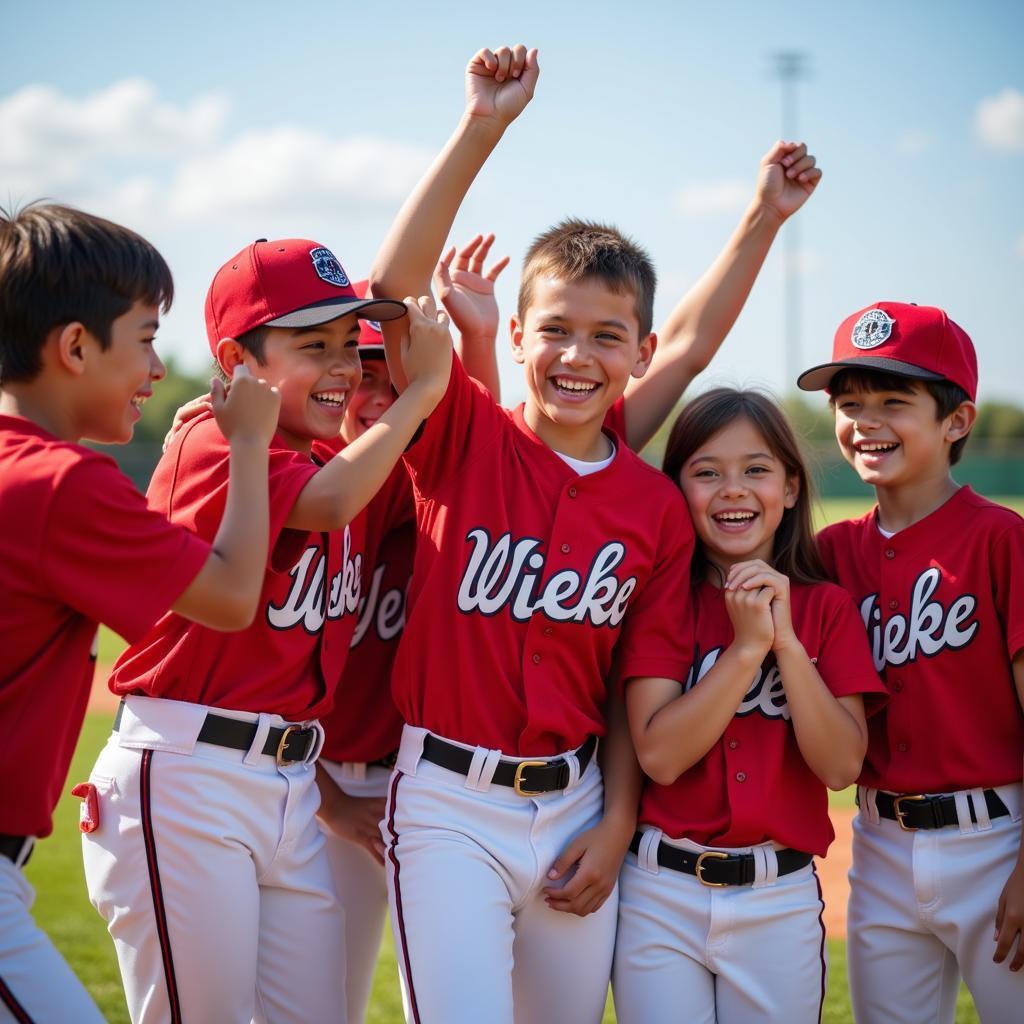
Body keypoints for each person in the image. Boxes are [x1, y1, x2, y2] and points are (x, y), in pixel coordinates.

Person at [369, 45, 697, 1023]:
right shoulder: (464, 430)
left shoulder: (655, 508)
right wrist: (482, 127)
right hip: (444, 807)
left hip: (574, 809)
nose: (576, 354)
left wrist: (617, 824)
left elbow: (640, 689)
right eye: (555, 327)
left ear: (640, 353)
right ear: (515, 336)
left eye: (606, 335)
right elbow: (389, 295)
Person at [80, 235, 452, 1024]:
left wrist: (481, 128)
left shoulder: (332, 460)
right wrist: (420, 394)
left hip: (284, 787)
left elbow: (396, 281)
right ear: (237, 360)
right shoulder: (218, 436)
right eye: (314, 346)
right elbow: (324, 504)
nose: (346, 365)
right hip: (189, 775)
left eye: (352, 345)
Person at [0, 203, 280, 1022]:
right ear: (76, 347)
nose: (158, 367)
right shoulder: (60, 483)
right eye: (147, 337)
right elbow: (230, 599)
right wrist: (252, 444)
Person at [613, 387, 884, 1022]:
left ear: (790, 488)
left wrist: (785, 642)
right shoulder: (659, 604)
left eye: (756, 470)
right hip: (660, 892)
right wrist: (743, 652)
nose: (733, 489)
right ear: (677, 490)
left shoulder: (825, 608)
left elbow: (842, 765)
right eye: (707, 473)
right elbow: (659, 756)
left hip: (778, 898)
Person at [799, 301, 1024, 1022]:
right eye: (850, 402)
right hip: (880, 846)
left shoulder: (1001, 540)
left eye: (895, 401)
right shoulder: (829, 556)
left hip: (996, 839)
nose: (866, 421)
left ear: (956, 421)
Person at [314, 250, 506, 1024]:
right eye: (361, 373)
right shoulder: (309, 489)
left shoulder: (426, 490)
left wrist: (478, 346)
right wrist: (329, 799)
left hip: (427, 787)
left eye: (396, 378)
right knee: (317, 1004)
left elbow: (479, 454)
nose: (375, 396)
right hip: (316, 786)